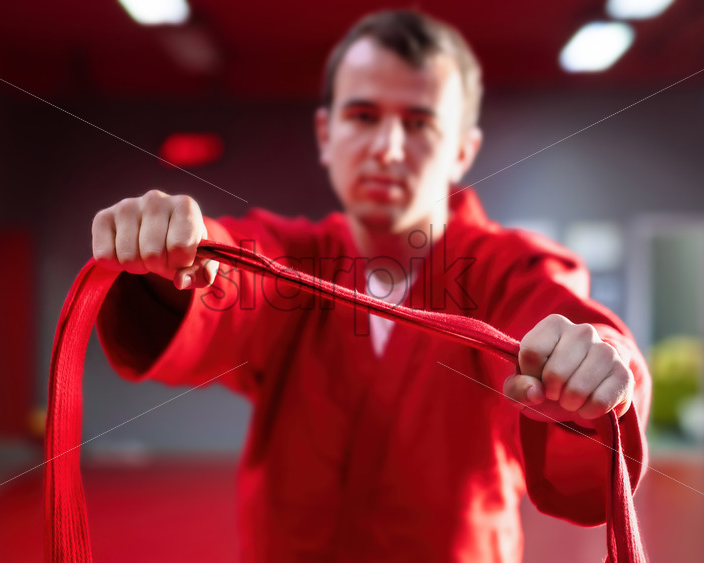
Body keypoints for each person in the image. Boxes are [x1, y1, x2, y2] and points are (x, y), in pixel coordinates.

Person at [90, 9, 651, 562]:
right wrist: (181, 252)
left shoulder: (506, 270)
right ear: (326, 134)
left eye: (419, 122)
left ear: (462, 150)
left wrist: (591, 369)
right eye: (362, 116)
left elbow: (566, 318)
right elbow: (235, 275)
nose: (387, 147)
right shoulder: (291, 260)